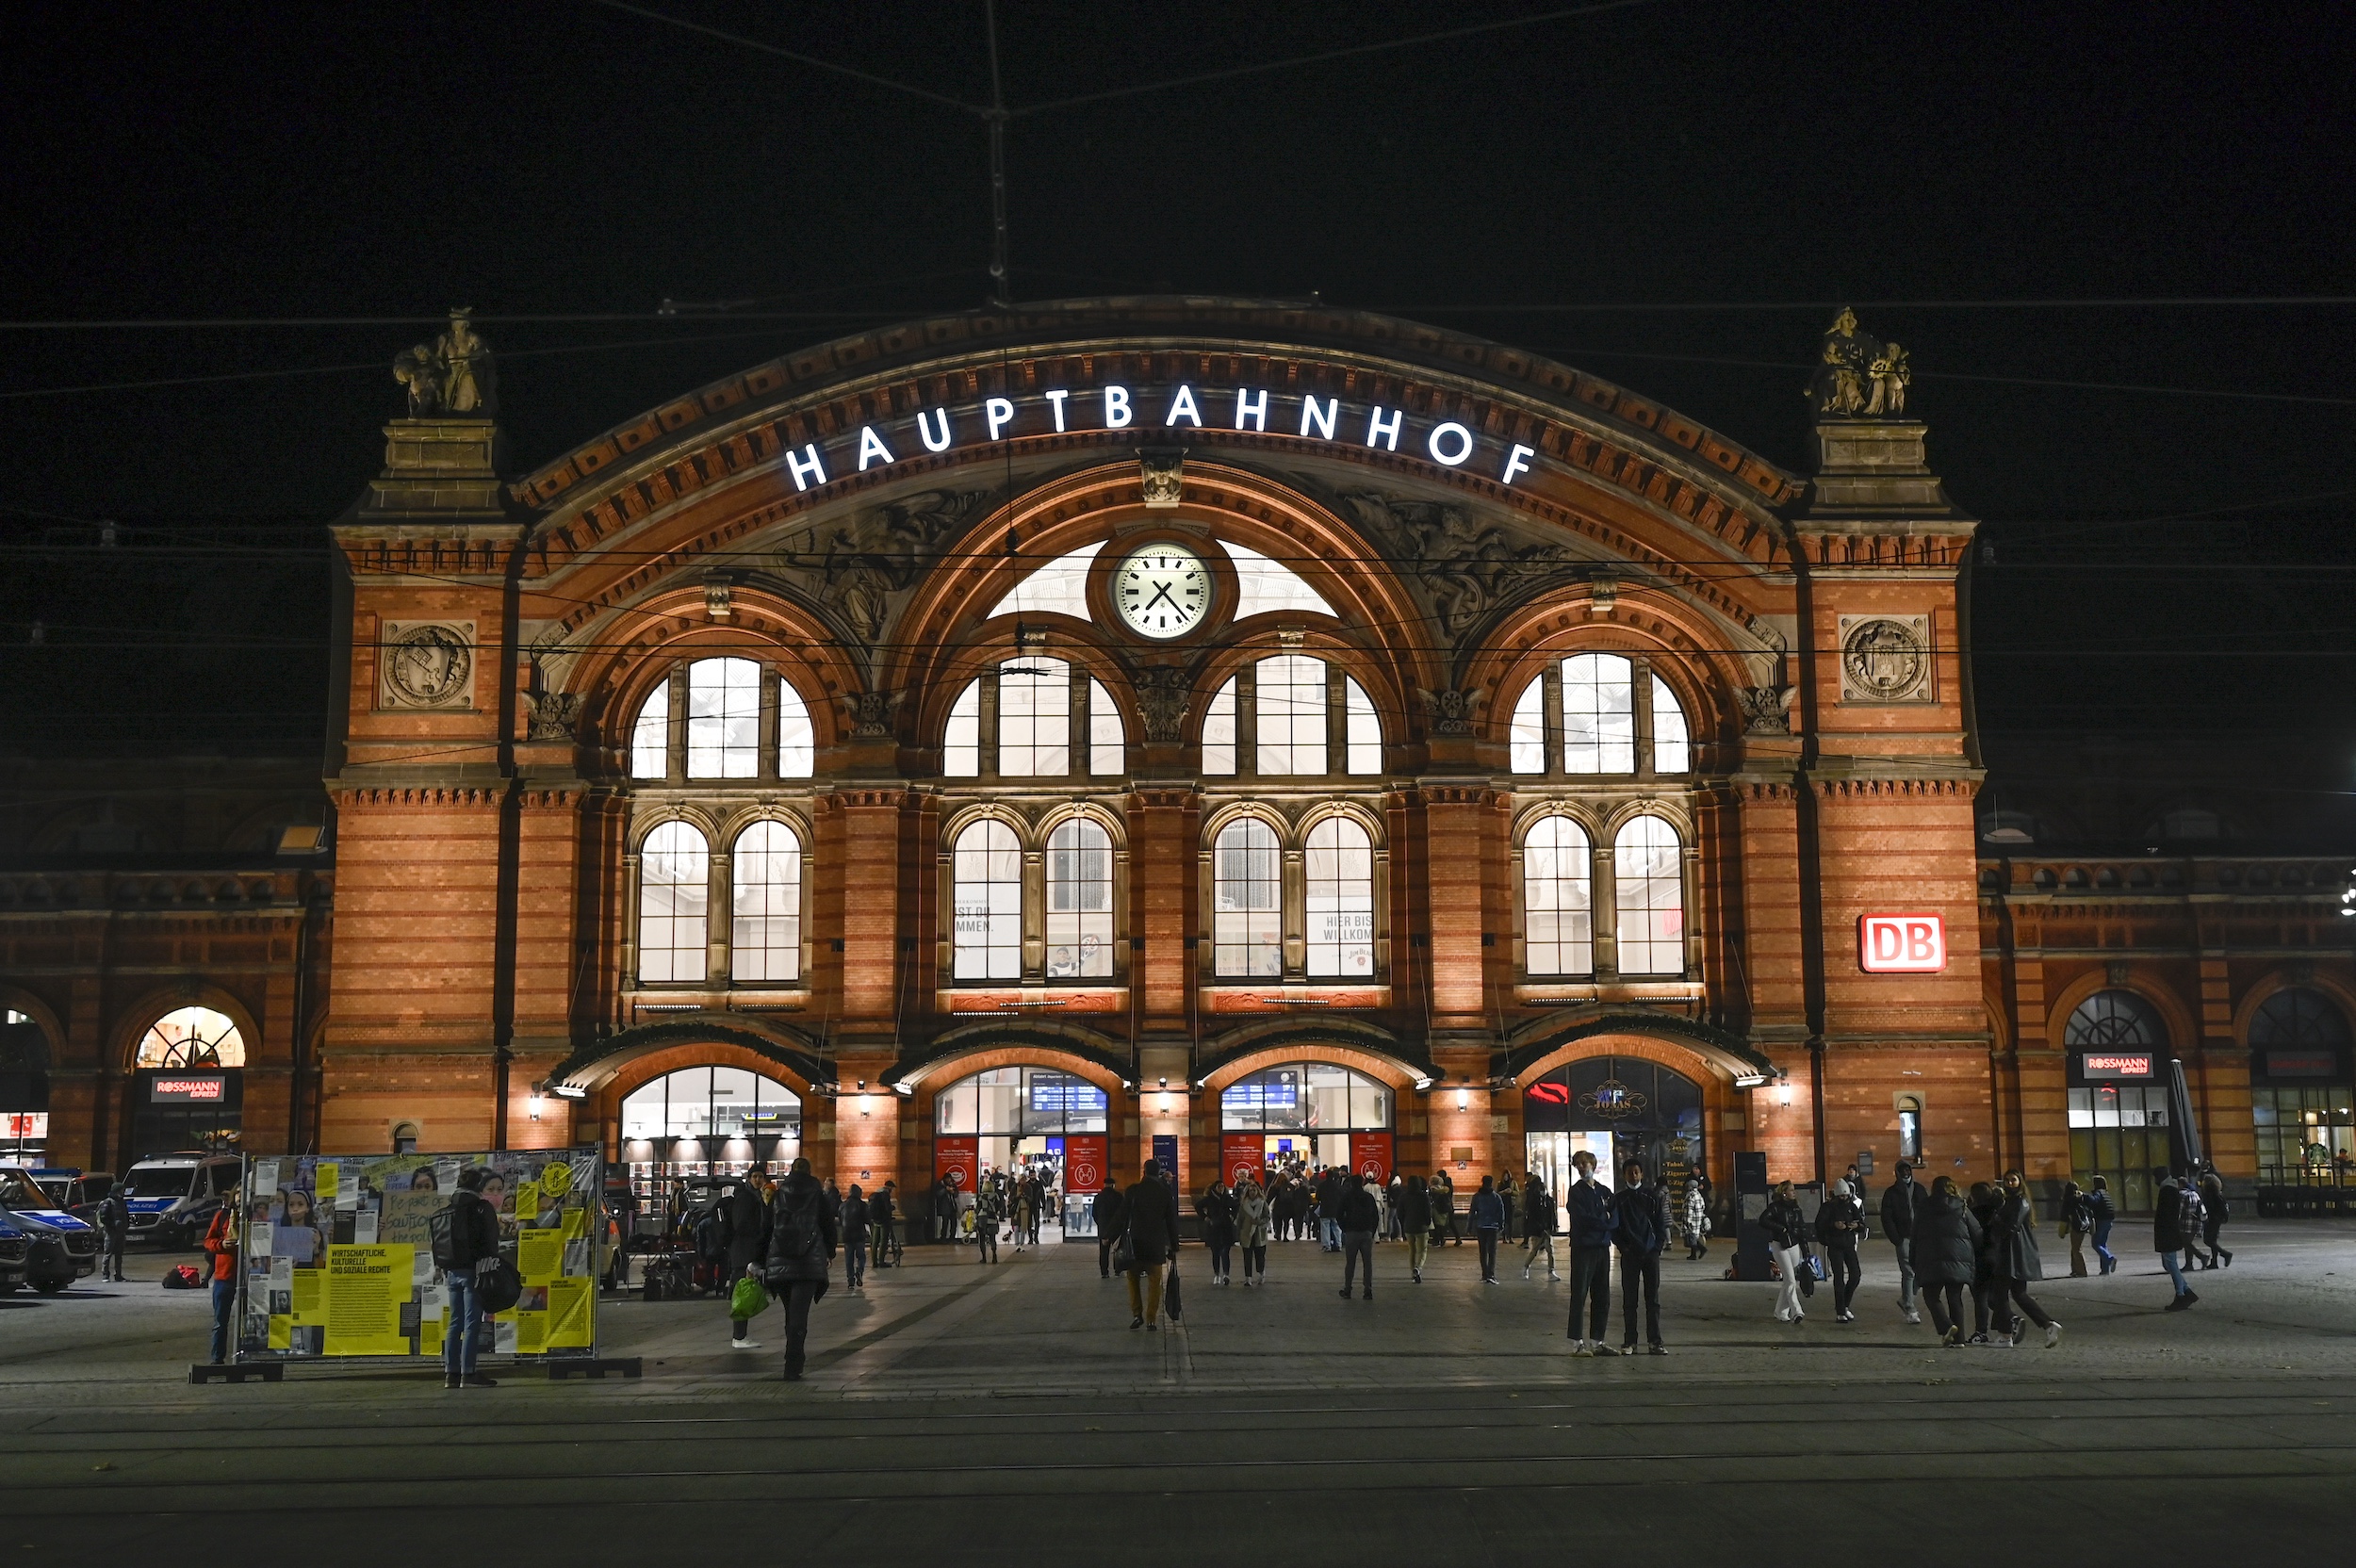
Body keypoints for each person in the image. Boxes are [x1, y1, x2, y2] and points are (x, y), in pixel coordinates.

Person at [762, 1157, 837, 1380]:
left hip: (780, 1262)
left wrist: (757, 1260)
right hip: (808, 1262)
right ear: (809, 1171)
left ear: (791, 1171)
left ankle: (791, 1358)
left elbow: (766, 1228)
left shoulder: (777, 1195)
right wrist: (829, 1252)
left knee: (789, 1312)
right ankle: (794, 1362)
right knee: (799, 1314)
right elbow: (828, 1225)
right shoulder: (819, 1195)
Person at [439, 1168, 502, 1389]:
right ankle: (469, 1372)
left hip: (451, 1271)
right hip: (473, 1272)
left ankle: (451, 1374)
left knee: (454, 1323)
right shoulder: (481, 1209)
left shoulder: (447, 1210)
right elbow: (491, 1240)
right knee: (472, 1323)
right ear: (478, 1187)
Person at [1989, 1169, 2061, 1348]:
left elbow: (2012, 1226)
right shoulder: (2013, 1201)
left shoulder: (2020, 1201)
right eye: (2006, 1181)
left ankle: (2006, 1336)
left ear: (2020, 1181)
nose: (2009, 1183)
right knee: (2019, 1294)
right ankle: (2048, 1325)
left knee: (1999, 1294)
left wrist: (1997, 1219)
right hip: (2015, 1254)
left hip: (2013, 1255)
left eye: (2013, 1180)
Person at [1912, 1175, 1980, 1347]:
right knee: (1955, 1298)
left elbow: (1914, 1235)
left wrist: (1913, 1260)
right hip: (1958, 1259)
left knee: (1931, 1295)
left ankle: (1946, 1326)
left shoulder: (1923, 1207)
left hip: (1930, 1259)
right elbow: (1977, 1232)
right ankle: (1959, 1340)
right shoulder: (1962, 1206)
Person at [1563, 1150, 1617, 1354]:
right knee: (1579, 1293)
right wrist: (1604, 1223)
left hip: (1602, 1247)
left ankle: (1598, 1341)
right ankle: (1577, 1342)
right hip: (1583, 1247)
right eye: (1578, 1164)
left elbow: (1615, 1214)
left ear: (1593, 1165)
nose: (1582, 1166)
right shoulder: (1575, 1192)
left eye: (1585, 1162)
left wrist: (1606, 1224)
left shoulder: (1604, 1191)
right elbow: (1581, 1217)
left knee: (1602, 1294)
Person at [1613, 1160, 1670, 1353]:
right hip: (1630, 1255)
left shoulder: (1651, 1197)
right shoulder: (1619, 1199)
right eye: (1630, 1173)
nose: (1634, 1176)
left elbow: (1660, 1224)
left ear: (1642, 1174)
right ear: (1624, 1175)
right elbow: (1615, 1228)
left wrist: (1657, 1247)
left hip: (1650, 1254)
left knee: (1652, 1299)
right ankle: (1630, 1341)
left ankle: (1655, 1341)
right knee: (1630, 1300)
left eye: (1637, 1172)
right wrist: (1624, 1248)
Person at [1118, 1161, 1173, 1329]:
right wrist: (1174, 1245)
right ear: (1158, 1172)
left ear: (1144, 1171)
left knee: (1133, 1279)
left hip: (1135, 1244)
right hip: (1155, 1244)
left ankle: (1137, 1315)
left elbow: (1122, 1215)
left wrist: (1108, 1235)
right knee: (1154, 1282)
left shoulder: (1133, 1191)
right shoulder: (1164, 1192)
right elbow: (1171, 1221)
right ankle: (1151, 1318)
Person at [725, 1174, 772, 1350]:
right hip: (742, 1253)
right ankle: (739, 1336)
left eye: (761, 1177)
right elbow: (742, 1224)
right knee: (742, 1294)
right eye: (755, 1177)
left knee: (743, 1292)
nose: (758, 1180)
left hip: (744, 1252)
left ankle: (740, 1335)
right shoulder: (746, 1198)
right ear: (749, 1179)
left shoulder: (753, 1197)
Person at [1880, 1161, 1924, 1325]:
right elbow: (1887, 1218)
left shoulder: (1919, 1190)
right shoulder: (1891, 1193)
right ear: (1897, 1173)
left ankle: (1906, 1299)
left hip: (1919, 1236)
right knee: (1909, 1272)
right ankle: (1910, 1307)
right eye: (1902, 1171)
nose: (1906, 1173)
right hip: (1903, 1237)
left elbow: (1926, 1210)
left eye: (1908, 1170)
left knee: (1920, 1271)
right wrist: (1896, 1238)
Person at [1816, 1177, 1865, 1322]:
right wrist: (1834, 1226)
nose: (1844, 1198)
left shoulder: (1852, 1206)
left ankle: (1845, 1305)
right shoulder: (1827, 1207)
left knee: (1855, 1275)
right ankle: (1840, 1310)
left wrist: (1856, 1226)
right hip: (1835, 1245)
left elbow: (1861, 1223)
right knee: (1839, 1278)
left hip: (1849, 1244)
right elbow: (1820, 1225)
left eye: (1846, 1196)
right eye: (1841, 1196)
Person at [202, 1186, 241, 1365]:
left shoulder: (259, 1215)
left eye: (246, 1192)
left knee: (249, 1319)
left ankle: (246, 1356)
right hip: (225, 1276)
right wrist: (222, 1244)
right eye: (239, 1192)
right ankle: (217, 1358)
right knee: (220, 1321)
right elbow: (208, 1241)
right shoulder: (223, 1215)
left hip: (249, 1276)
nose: (242, 1196)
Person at [1761, 1180, 1810, 1326]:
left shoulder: (1796, 1209)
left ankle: (1780, 1312)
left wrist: (1805, 1250)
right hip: (1780, 1245)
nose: (1794, 1192)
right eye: (1791, 1190)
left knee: (1788, 1280)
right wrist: (1780, 1229)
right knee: (1790, 1279)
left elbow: (1801, 1230)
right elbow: (1763, 1220)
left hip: (1794, 1245)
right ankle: (1797, 1311)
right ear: (1784, 1192)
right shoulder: (1775, 1207)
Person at [2153, 1168, 2201, 1311]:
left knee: (2171, 1264)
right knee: (2170, 1264)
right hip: (2171, 1232)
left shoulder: (2167, 1190)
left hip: (2168, 1232)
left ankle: (2181, 1295)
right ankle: (2186, 1291)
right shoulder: (2172, 1189)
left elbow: (2165, 1215)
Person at [1337, 1172, 1381, 1299]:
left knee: (1350, 1262)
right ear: (1362, 1183)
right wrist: (1372, 1231)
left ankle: (1348, 1289)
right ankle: (1368, 1290)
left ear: (1351, 1183)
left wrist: (1344, 1228)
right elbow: (1375, 1216)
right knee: (1367, 1262)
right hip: (1366, 1232)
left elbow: (1339, 1214)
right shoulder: (1368, 1197)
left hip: (1351, 1232)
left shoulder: (1347, 1197)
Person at [1198, 1176, 1237, 1285]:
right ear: (1215, 1188)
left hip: (1226, 1227)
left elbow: (1236, 1205)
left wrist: (1232, 1216)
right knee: (1215, 1252)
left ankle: (1226, 1274)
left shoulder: (1227, 1198)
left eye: (1223, 1187)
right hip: (1214, 1227)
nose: (1221, 1189)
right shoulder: (1209, 1199)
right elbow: (1198, 1206)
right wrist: (1205, 1217)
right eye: (1219, 1187)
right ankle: (1216, 1274)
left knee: (1225, 1252)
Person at [1235, 1175, 1270, 1287]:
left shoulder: (1262, 1203)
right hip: (1247, 1234)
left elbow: (1268, 1217)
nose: (1252, 1192)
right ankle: (1248, 1278)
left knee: (1260, 1256)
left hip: (1259, 1234)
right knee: (1247, 1257)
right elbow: (1240, 1219)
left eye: (1254, 1190)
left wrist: (1260, 1222)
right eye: (1250, 1190)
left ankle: (1261, 1274)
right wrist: (1238, 1234)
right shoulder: (1244, 1205)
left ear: (1258, 1191)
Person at [1470, 1175, 1506, 1284]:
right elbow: (1501, 1212)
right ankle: (1491, 1275)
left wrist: (1469, 1226)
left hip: (1481, 1226)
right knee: (1492, 1252)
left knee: (1483, 1251)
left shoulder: (1477, 1196)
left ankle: (1484, 1275)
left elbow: (1472, 1212)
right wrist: (1501, 1224)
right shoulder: (1496, 1197)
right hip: (1493, 1227)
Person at [1523, 1169, 1559, 1282]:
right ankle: (1526, 1267)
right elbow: (1533, 1217)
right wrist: (1541, 1228)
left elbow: (1552, 1215)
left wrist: (1553, 1226)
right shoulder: (1533, 1202)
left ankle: (1551, 1271)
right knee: (1534, 1250)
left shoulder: (1549, 1201)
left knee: (1550, 1251)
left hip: (1547, 1229)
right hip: (1538, 1230)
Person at [1398, 1173, 1432, 1283]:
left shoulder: (1404, 1196)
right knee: (1422, 1250)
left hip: (1409, 1227)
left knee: (1412, 1250)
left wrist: (1404, 1223)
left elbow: (1400, 1213)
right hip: (1421, 1227)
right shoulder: (1424, 1196)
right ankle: (1418, 1267)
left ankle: (1413, 1272)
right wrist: (1427, 1223)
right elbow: (1428, 1212)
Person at [1092, 1179, 1129, 1280]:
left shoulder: (1098, 1197)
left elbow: (1094, 1214)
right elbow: (1123, 1212)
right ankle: (1118, 1270)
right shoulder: (1119, 1196)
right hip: (1116, 1227)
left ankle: (1104, 1272)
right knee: (1117, 1249)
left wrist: (1100, 1223)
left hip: (1103, 1228)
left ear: (1104, 1185)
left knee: (1103, 1251)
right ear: (1113, 1185)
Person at [2196, 1170, 2233, 1269]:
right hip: (2216, 1219)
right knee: (2213, 1240)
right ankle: (2214, 1262)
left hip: (2212, 1219)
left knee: (2208, 1240)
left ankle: (2225, 1254)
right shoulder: (2217, 1194)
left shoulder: (2210, 1194)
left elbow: (2211, 1207)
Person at [2058, 1180, 2091, 1278]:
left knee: (2077, 1249)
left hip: (2075, 1225)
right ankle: (2075, 1269)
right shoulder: (2081, 1198)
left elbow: (2064, 1216)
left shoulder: (2068, 1200)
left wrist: (2062, 1231)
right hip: (2084, 1225)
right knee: (2075, 1248)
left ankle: (2081, 1271)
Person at [96, 1184, 129, 1282]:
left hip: (120, 1231)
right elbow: (103, 1217)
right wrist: (112, 1225)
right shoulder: (108, 1202)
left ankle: (118, 1275)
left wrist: (125, 1226)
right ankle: (105, 1275)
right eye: (121, 1190)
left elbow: (125, 1215)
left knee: (119, 1254)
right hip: (111, 1232)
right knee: (108, 1253)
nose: (123, 1192)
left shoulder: (122, 1202)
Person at [2086, 1173, 2118, 1275]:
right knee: (2103, 1244)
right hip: (2109, 1220)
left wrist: (2084, 1196)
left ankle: (2110, 1259)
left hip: (2101, 1220)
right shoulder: (2106, 1193)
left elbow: (2093, 1201)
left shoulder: (2098, 1193)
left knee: (2096, 1244)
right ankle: (2105, 1270)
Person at [840, 1184, 869, 1290]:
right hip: (859, 1234)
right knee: (861, 1256)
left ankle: (850, 1281)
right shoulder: (862, 1205)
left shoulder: (843, 1205)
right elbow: (867, 1219)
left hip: (846, 1235)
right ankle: (859, 1271)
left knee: (849, 1258)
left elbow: (840, 1217)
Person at [972, 1179, 1002, 1264]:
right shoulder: (995, 1196)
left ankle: (984, 1258)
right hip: (992, 1217)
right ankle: (994, 1256)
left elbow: (977, 1208)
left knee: (982, 1238)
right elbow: (999, 1206)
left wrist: (976, 1217)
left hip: (982, 1218)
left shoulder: (980, 1196)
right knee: (992, 1238)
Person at [1683, 1173, 1711, 1261]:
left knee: (1691, 1236)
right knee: (1694, 1236)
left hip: (1692, 1218)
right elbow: (1703, 1205)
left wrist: (1688, 1220)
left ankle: (1699, 1250)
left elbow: (1689, 1208)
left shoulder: (1690, 1195)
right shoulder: (1698, 1194)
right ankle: (1694, 1253)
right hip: (1698, 1217)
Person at [1498, 1171, 1521, 1245]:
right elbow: (1497, 1193)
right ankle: (1504, 1237)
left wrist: (1511, 1191)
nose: (1505, 1177)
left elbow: (1517, 1192)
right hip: (1503, 1203)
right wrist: (1503, 1192)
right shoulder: (1500, 1183)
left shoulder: (1513, 1183)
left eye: (1507, 1176)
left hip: (1511, 1203)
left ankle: (1510, 1237)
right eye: (1504, 1176)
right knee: (1503, 1220)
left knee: (1510, 1221)